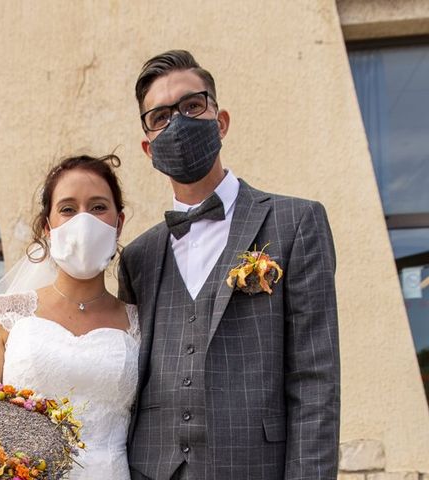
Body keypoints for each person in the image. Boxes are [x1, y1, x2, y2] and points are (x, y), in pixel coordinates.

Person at [118, 50, 340, 480]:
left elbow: (315, 380)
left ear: (220, 122)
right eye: (160, 116)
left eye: (192, 106)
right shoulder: (138, 257)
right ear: (148, 147)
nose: (178, 122)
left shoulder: (296, 222)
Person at [0, 154, 139, 480]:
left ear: (119, 223)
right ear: (47, 226)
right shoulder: (4, 314)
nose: (83, 221)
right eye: (68, 209)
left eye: (98, 207)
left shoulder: (137, 323)